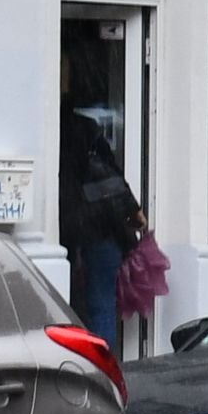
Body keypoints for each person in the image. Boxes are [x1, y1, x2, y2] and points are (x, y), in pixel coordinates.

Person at [67, 115, 143, 347]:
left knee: (80, 305)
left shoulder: (69, 164)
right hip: (105, 237)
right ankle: (104, 361)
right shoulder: (100, 157)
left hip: (77, 236)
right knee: (102, 305)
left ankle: (93, 360)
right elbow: (119, 186)